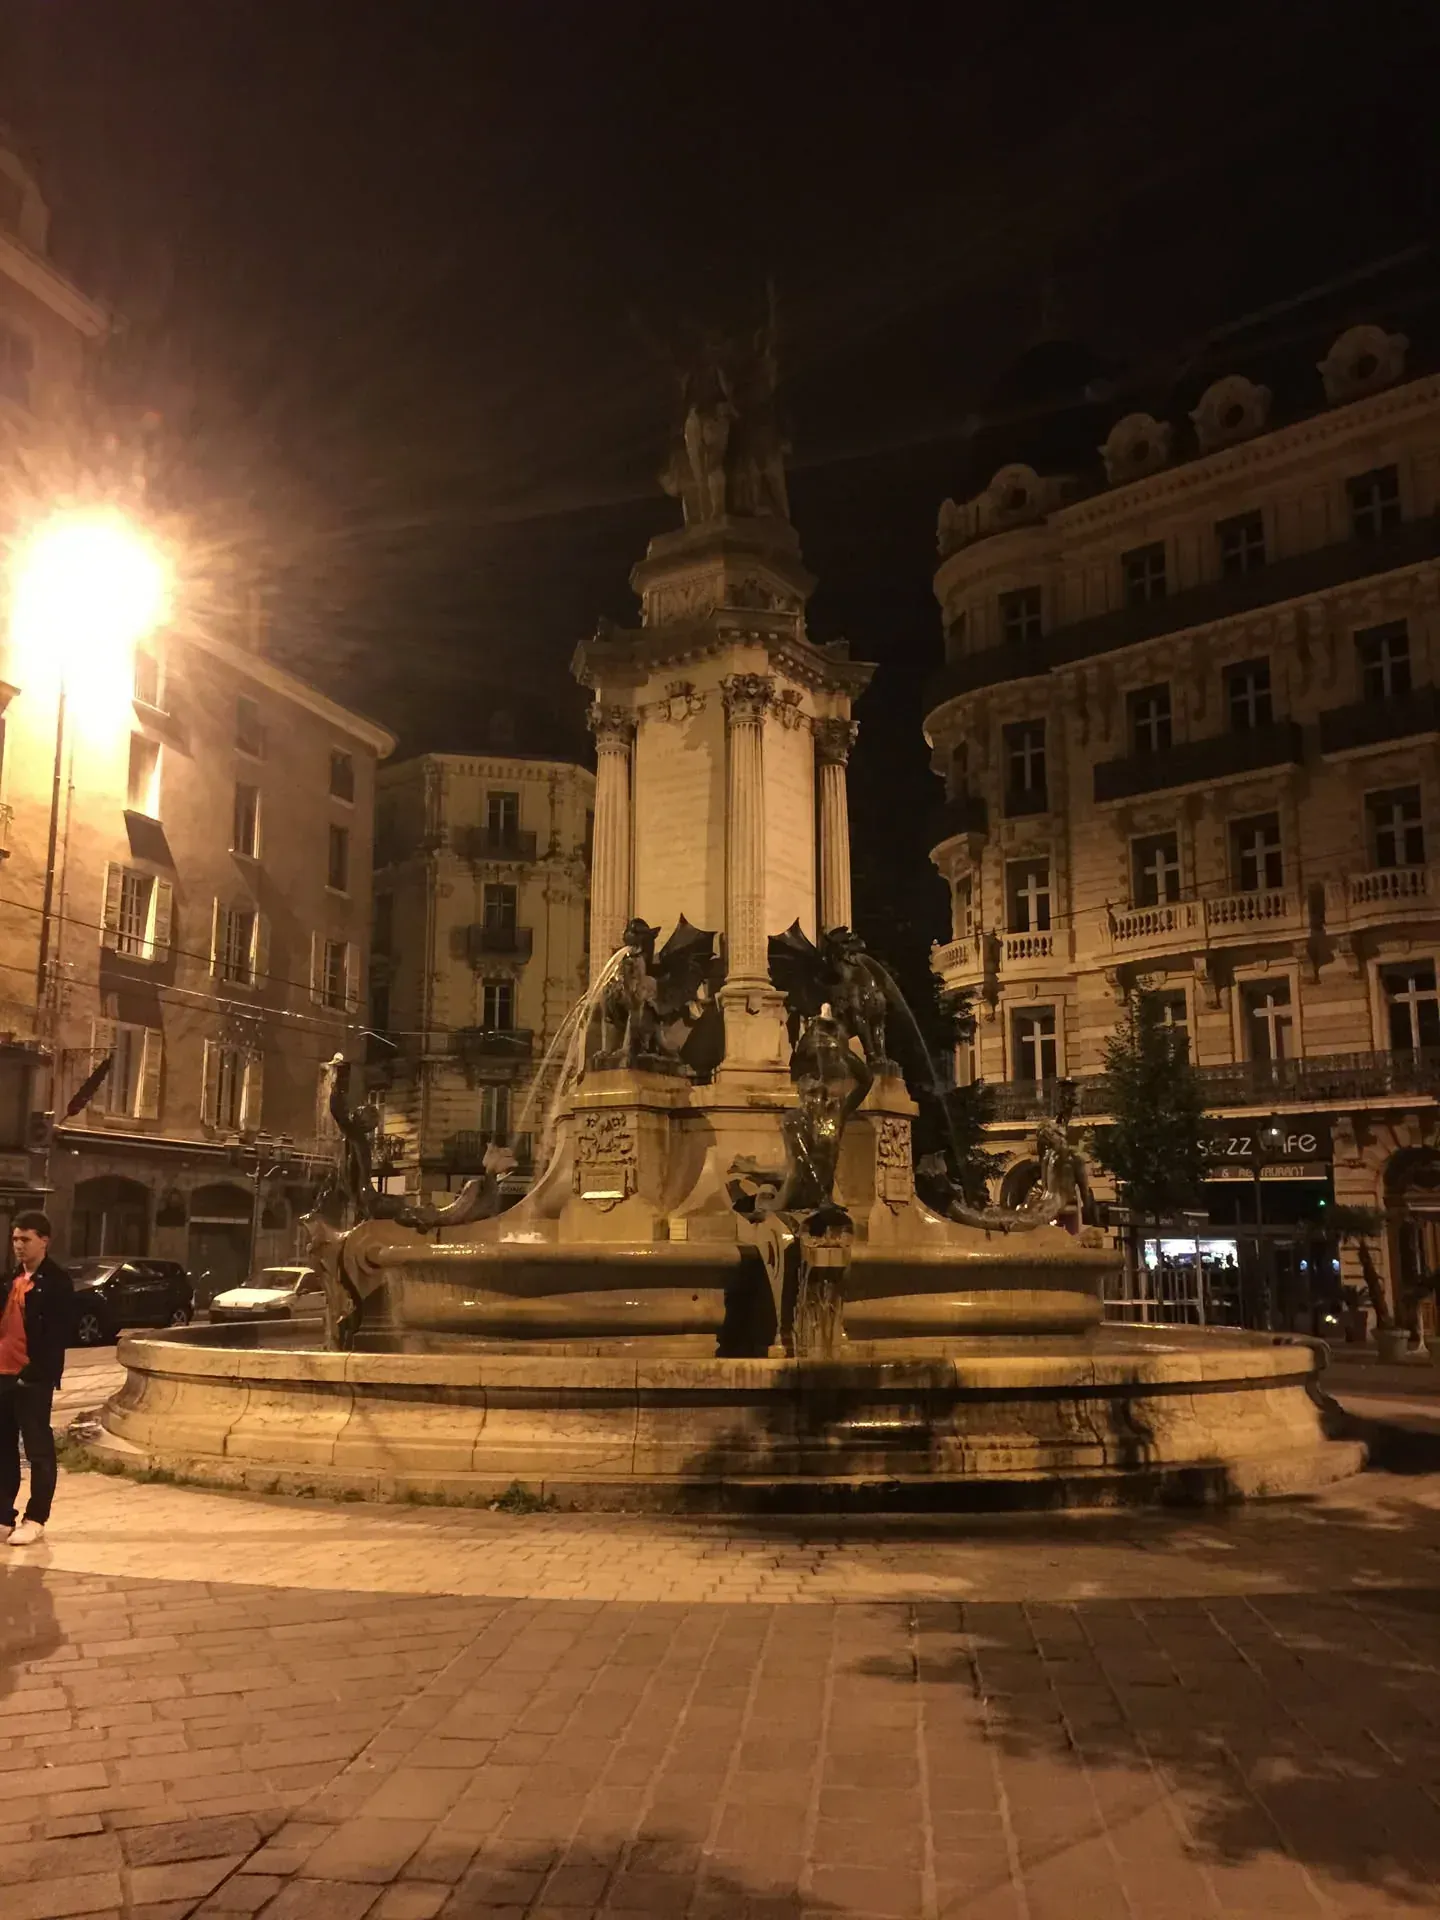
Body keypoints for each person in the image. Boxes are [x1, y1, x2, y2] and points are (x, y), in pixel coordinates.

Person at [0, 1210, 74, 1546]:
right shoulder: (10, 1278)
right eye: (15, 1238)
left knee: (38, 1450)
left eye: (25, 1239)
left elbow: (58, 1335)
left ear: (44, 1240)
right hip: (1, 1374)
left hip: (32, 1378)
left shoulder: (57, 1282)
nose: (18, 1245)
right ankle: (3, 1516)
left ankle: (36, 1517)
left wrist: (35, 1373)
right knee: (2, 1450)